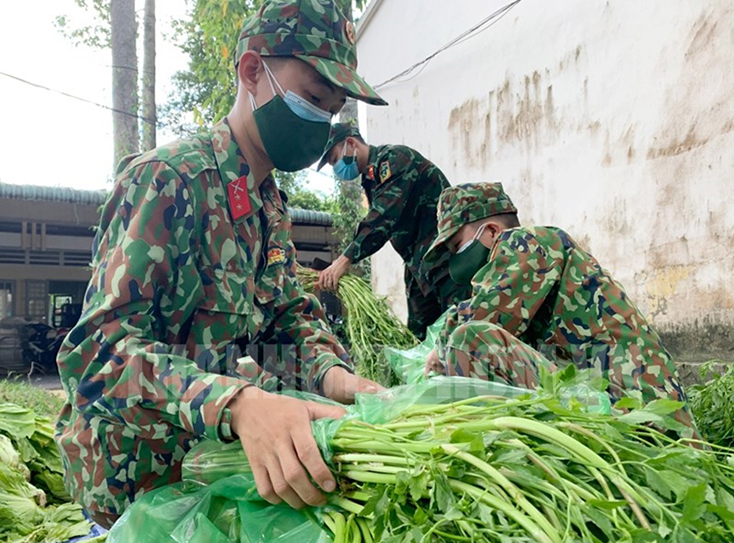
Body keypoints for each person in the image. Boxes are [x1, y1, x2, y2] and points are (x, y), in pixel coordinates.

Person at [55, 0, 388, 528]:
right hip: (135, 491)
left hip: (212, 478)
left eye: (333, 110)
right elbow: (100, 353)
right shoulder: (168, 180)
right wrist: (238, 404)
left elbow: (285, 317)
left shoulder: (267, 203)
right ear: (253, 71)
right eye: (313, 98)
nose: (324, 122)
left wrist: (334, 376)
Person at [422, 182, 695, 435]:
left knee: (469, 340)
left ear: (492, 231)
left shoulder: (525, 242)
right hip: (620, 409)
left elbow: (482, 317)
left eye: (457, 245)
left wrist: (441, 348)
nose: (455, 258)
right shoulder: (534, 277)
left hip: (641, 419)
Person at [316, 123, 470, 339]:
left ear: (351, 143)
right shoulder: (372, 179)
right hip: (418, 266)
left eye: (335, 160)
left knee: (460, 334)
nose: (337, 168)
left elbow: (382, 218)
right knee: (421, 339)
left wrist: (343, 261)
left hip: (445, 260)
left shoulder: (395, 160)